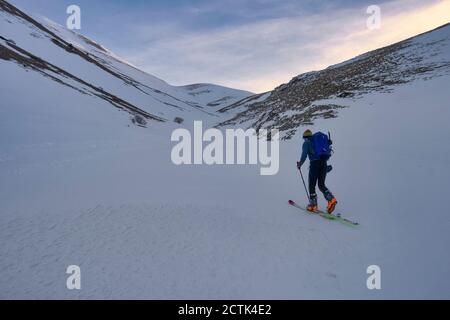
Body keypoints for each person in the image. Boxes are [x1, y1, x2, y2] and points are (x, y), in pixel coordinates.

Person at [297, 129, 337, 214]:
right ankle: (332, 200)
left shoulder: (306, 143)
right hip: (324, 164)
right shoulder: (317, 141)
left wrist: (300, 163)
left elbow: (304, 155)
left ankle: (313, 205)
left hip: (314, 165)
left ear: (305, 137)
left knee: (312, 185)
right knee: (321, 185)